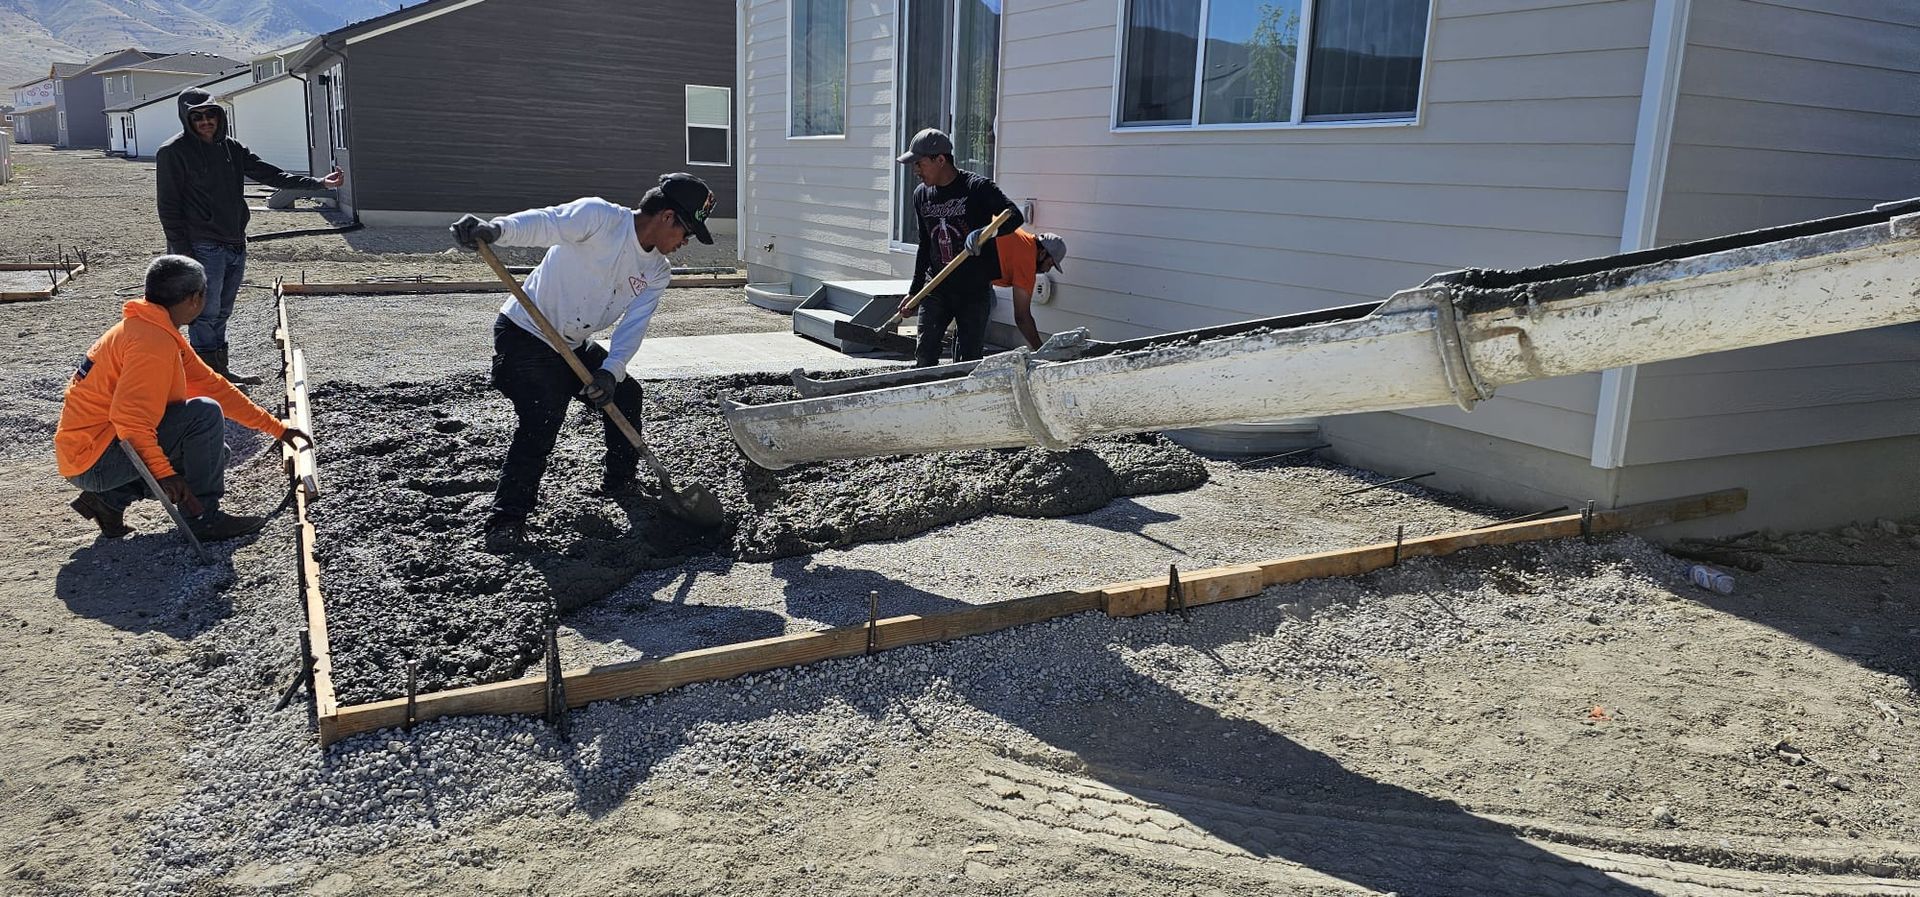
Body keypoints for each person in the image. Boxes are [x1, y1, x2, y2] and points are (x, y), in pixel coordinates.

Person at [448, 173, 716, 552]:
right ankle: (506, 520)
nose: (684, 243)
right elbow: (546, 222)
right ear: (668, 217)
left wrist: (610, 372)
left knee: (626, 395)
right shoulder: (599, 219)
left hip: (572, 345)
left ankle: (620, 482)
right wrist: (496, 230)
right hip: (525, 334)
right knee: (543, 415)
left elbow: (632, 328)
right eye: (686, 232)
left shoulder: (657, 271)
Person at [56, 255, 313, 542]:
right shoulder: (152, 343)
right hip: (94, 460)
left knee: (215, 455)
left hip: (91, 450)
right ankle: (204, 518)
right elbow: (130, 419)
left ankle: (107, 500)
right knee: (203, 414)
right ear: (195, 299)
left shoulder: (151, 326)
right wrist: (165, 474)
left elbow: (212, 385)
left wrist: (277, 428)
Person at [156, 87, 344, 385]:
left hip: (234, 243)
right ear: (187, 119)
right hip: (202, 246)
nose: (205, 121)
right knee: (205, 313)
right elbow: (168, 207)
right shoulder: (172, 153)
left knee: (223, 310)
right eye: (197, 117)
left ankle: (219, 374)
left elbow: (271, 175)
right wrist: (183, 255)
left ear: (219, 116)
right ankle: (206, 380)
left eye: (210, 114)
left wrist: (319, 183)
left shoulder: (231, 148)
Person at [896, 128, 1023, 367]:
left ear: (940, 160)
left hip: (973, 290)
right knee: (924, 355)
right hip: (936, 287)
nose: (915, 171)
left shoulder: (977, 188)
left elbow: (1014, 216)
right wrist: (915, 291)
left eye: (919, 164)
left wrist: (986, 233)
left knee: (967, 359)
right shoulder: (921, 195)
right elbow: (925, 244)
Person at [990, 228, 1069, 350]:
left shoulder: (1024, 240)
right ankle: (967, 360)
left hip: (967, 259)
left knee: (988, 301)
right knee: (981, 311)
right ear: (1042, 253)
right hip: (969, 266)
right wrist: (1041, 350)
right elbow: (1022, 317)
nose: (1047, 270)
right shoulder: (1027, 259)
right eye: (1050, 264)